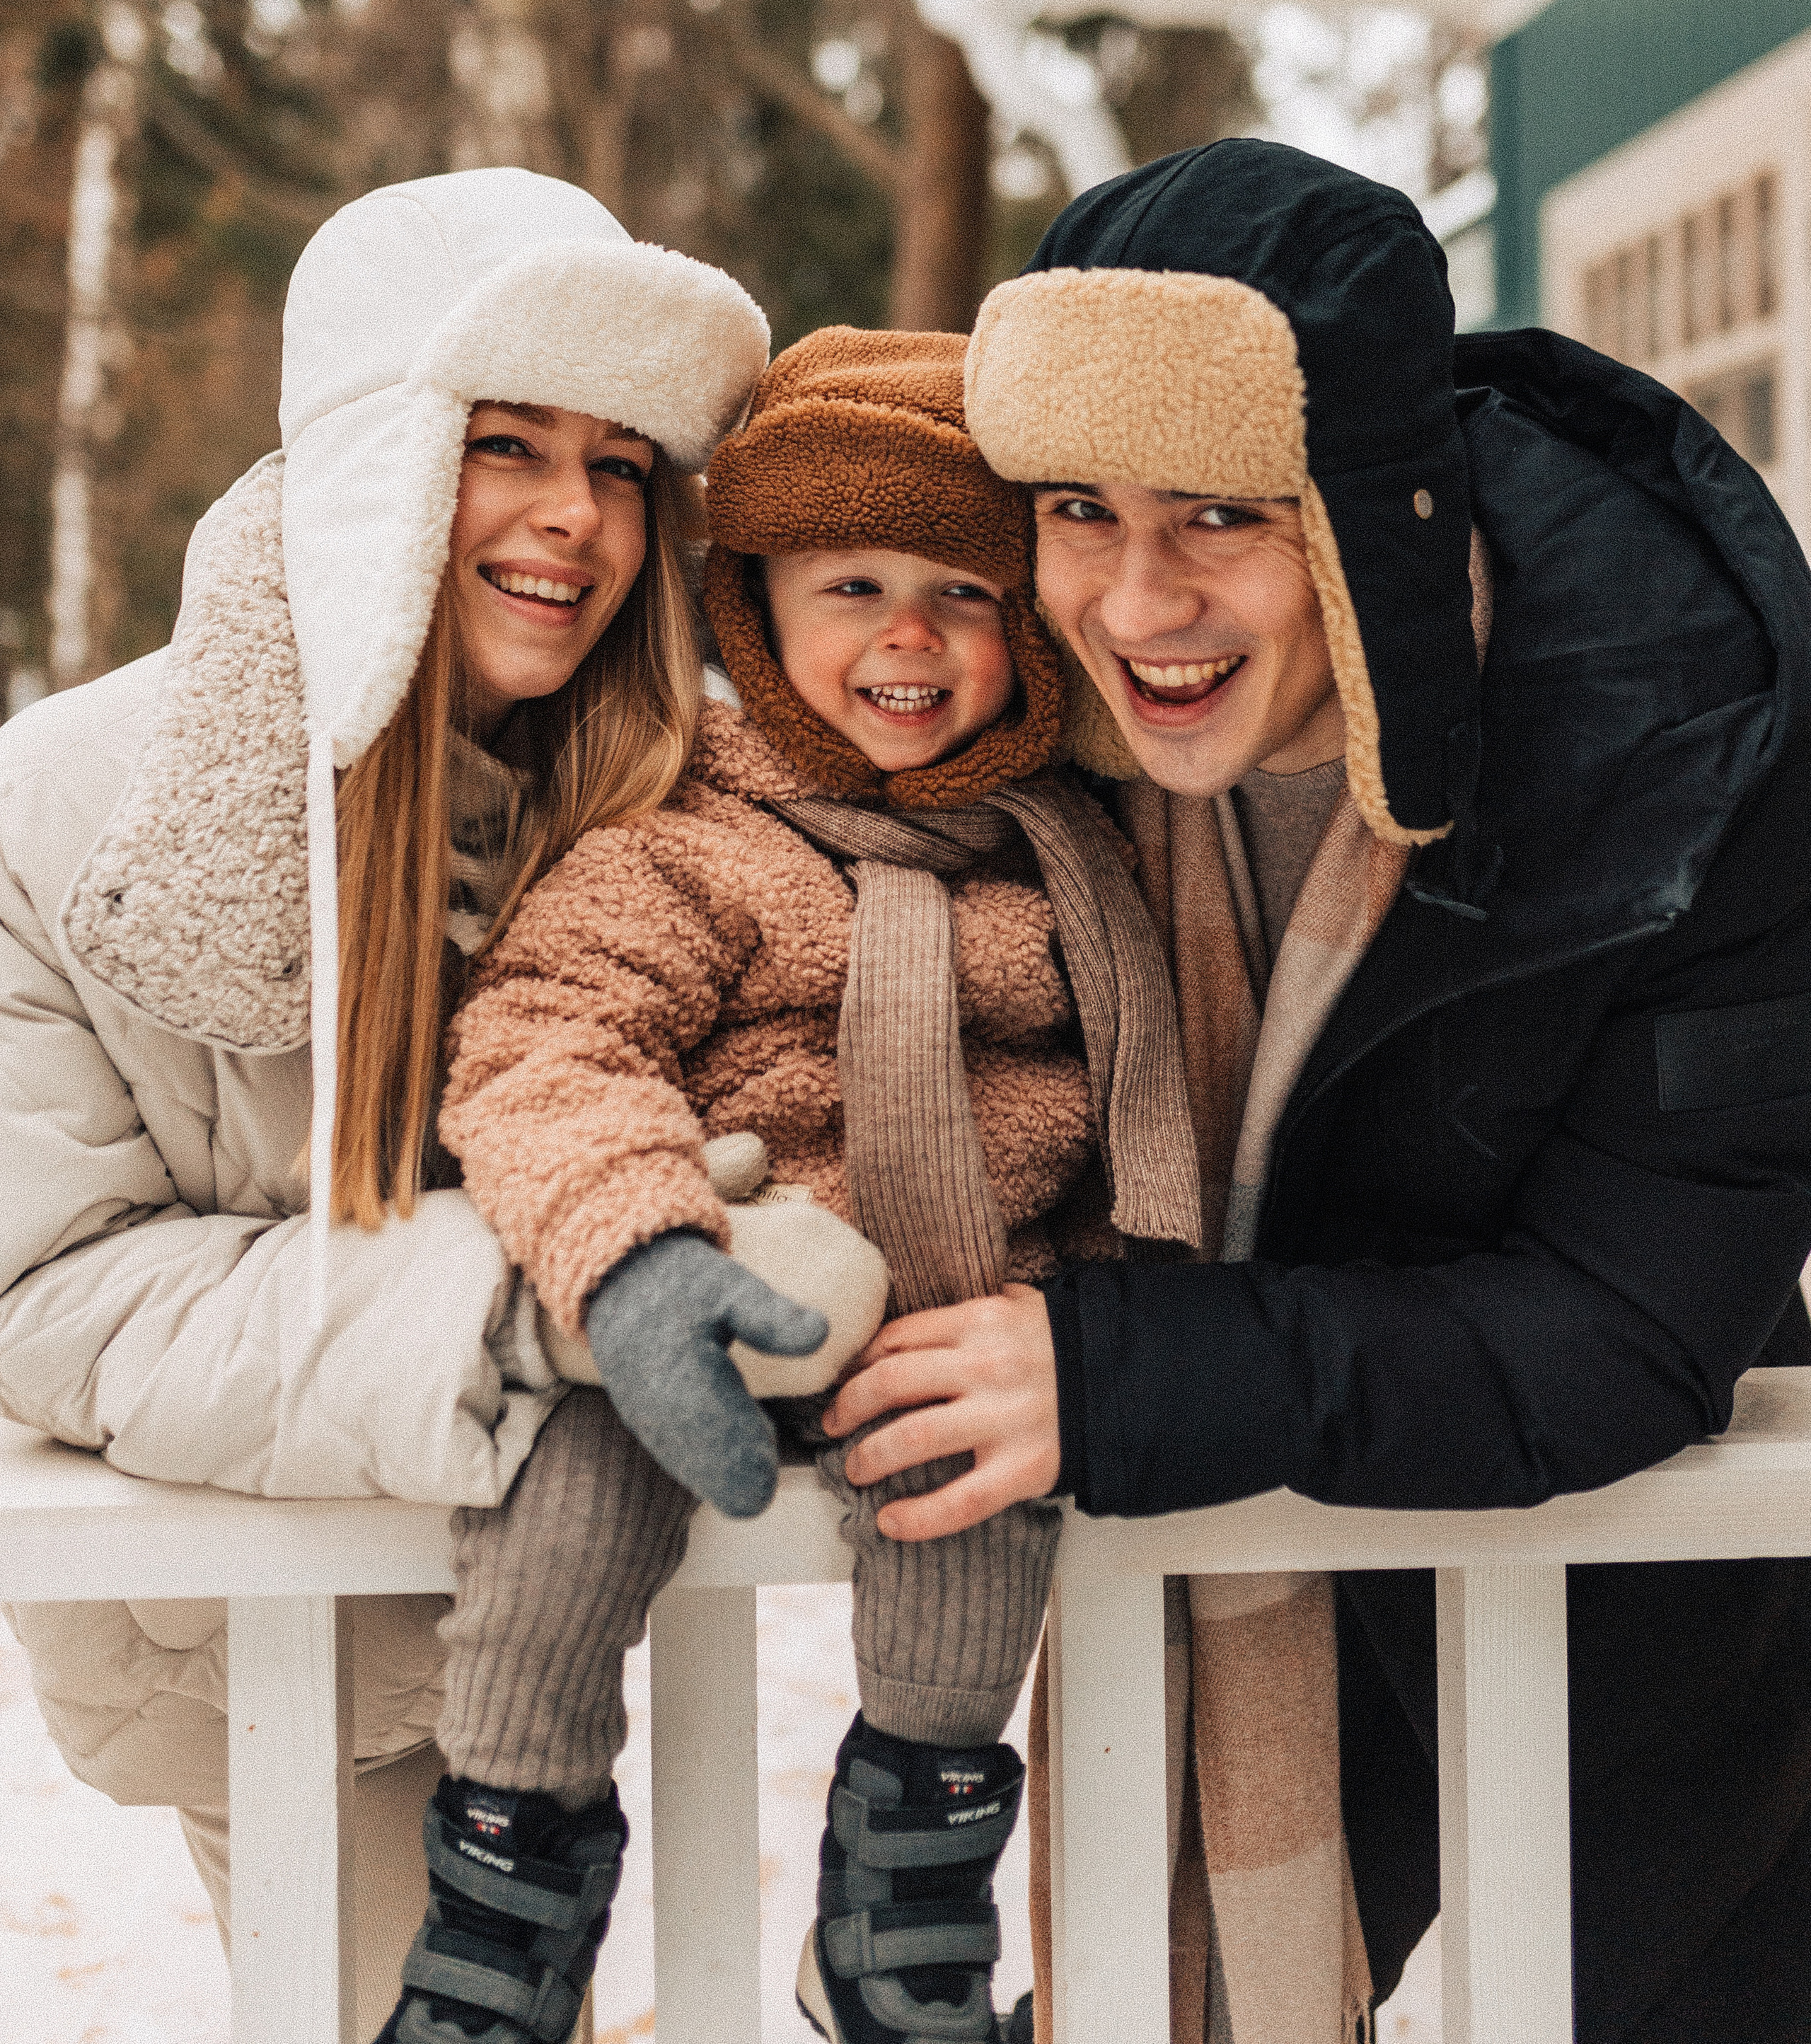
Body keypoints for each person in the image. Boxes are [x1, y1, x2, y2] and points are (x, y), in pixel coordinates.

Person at [824, 139, 1811, 2043]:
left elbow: (1627, 1317)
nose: (1138, 603)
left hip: (1627, 1608)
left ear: (1372, 509)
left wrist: (1123, 1376)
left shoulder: (1678, 742)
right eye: (1079, 510)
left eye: (1222, 513)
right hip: (1229, 1601)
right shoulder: (998, 722)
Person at [0, 166, 769, 2040]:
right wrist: (544, 1291)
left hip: (580, 1613)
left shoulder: (683, 801)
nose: (574, 516)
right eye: (509, 445)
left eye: (618, 465)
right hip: (263, 1639)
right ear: (377, 460)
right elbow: (45, 1292)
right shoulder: (62, 811)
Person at [382, 329, 1203, 2044]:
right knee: (562, 1492)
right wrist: (638, 1258)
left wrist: (1111, 1286)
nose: (908, 638)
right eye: (851, 588)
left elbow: (1129, 1099)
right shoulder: (686, 835)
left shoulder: (1071, 856)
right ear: (751, 608)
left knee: (977, 1477)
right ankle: (508, 1886)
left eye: (963, 594)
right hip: (709, 1271)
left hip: (952, 1303)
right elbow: (546, 1039)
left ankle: (906, 1888)